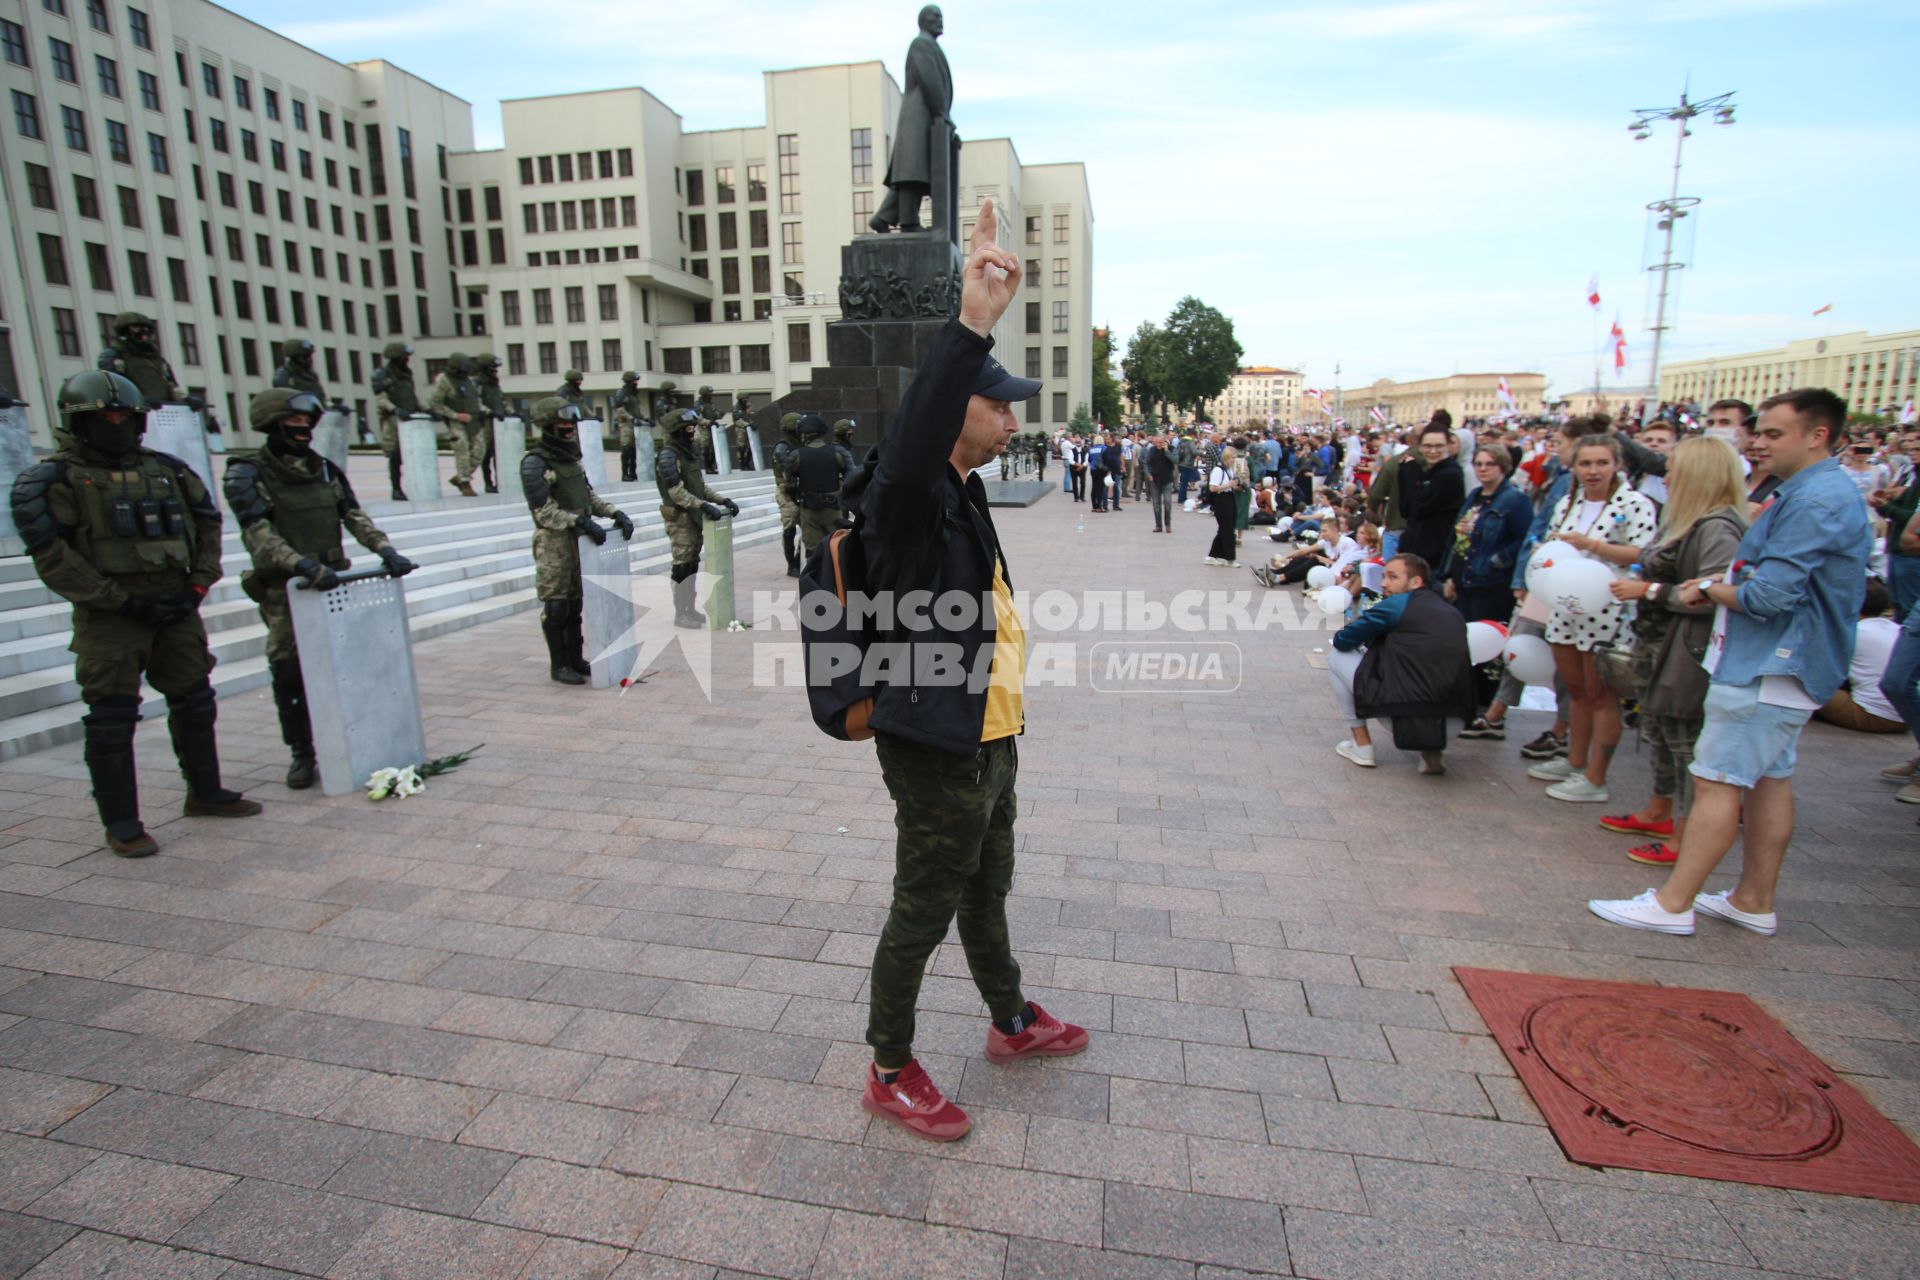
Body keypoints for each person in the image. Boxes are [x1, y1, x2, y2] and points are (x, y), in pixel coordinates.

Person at [844, 200, 1087, 1141]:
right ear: (956, 412)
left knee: (987, 890)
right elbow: (909, 439)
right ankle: (890, 1068)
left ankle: (1011, 1021)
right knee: (924, 907)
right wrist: (972, 320)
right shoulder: (904, 497)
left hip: (989, 734)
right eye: (1000, 399)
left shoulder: (964, 492)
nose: (1013, 412)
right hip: (937, 743)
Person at [1590, 388, 1872, 936]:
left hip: (1770, 659)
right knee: (1769, 780)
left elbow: (1768, 596)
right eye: (1756, 432)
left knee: (1717, 779)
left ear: (1817, 436)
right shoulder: (1816, 492)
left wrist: (1711, 586)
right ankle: (1752, 898)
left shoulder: (1815, 500)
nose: (1756, 443)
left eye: (1772, 434)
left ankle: (1673, 904)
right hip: (1784, 661)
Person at [9, 371, 261, 856]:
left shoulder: (167, 469)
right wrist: (117, 600)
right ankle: (122, 820)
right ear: (79, 421)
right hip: (111, 615)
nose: (117, 422)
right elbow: (53, 556)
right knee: (111, 716)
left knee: (195, 699)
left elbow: (207, 526)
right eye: (105, 415)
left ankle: (205, 792)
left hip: (175, 604)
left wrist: (196, 585)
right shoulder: (54, 479)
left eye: (125, 414)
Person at [225, 390, 417, 788]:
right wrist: (301, 565)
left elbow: (352, 515)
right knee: (289, 672)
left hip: (333, 584)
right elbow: (258, 532)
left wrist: (385, 549)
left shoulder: (325, 470)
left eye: (306, 424)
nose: (302, 430)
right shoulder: (248, 473)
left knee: (346, 666)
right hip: (287, 590)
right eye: (293, 423)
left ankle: (353, 735)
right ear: (271, 423)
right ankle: (302, 751)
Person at [1594, 437, 1747, 865]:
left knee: (1683, 742)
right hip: (1659, 641)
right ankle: (1659, 811)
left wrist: (1650, 590)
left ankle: (1685, 834)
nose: (1668, 474)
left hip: (1686, 649)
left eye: (1675, 466)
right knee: (1658, 731)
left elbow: (1712, 593)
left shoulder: (1717, 526)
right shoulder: (1686, 518)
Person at [1530, 434, 1659, 803]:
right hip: (1564, 604)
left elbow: (1644, 554)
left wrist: (1593, 547)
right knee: (1576, 689)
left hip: (1608, 605)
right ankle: (1574, 760)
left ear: (1617, 464)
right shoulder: (1568, 502)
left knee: (1601, 692)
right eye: (1585, 463)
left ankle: (1596, 776)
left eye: (1602, 463)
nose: (1593, 471)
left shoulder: (1635, 503)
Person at [1328, 553, 1476, 774]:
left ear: (1416, 582)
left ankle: (1361, 745)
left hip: (1404, 715)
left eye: (1392, 577)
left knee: (1337, 656)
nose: (1383, 583)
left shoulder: (1397, 604)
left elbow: (1344, 639)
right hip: (1457, 721)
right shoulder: (1451, 611)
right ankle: (1431, 754)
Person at [522, 397, 636, 683]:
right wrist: (579, 522)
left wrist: (614, 512)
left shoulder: (571, 461)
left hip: (579, 543)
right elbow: (543, 511)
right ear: (548, 426)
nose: (569, 428)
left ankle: (575, 659)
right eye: (563, 423)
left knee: (575, 606)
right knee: (557, 606)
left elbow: (589, 497)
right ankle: (559, 665)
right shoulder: (535, 463)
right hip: (554, 545)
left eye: (571, 423)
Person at [1447, 445, 1532, 710]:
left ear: (1504, 467)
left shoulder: (1515, 500)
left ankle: (1485, 703)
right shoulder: (1474, 496)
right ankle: (1466, 696)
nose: (1483, 469)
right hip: (1466, 580)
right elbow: (1458, 539)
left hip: (1492, 583)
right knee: (1464, 640)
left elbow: (1525, 540)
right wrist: (1449, 574)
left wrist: (1498, 562)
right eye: (1479, 463)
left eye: (1490, 464)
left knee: (1489, 644)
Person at [655, 407, 739, 628]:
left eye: (692, 427)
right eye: (688, 428)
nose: (691, 432)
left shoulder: (686, 454)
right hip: (680, 520)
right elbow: (676, 492)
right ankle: (680, 613)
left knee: (692, 565)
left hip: (693, 518)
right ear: (677, 430)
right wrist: (703, 506)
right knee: (682, 566)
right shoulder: (668, 456)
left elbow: (699, 487)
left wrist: (722, 500)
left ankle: (689, 610)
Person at [1814, 578, 1904, 733]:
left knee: (1806, 682)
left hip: (1875, 716)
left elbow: (1817, 667)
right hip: (1909, 715)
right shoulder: (1896, 628)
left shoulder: (1853, 633)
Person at [1396, 424, 1466, 576]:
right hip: (1417, 552)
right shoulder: (1428, 473)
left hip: (1433, 558)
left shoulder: (1450, 475)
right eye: (1427, 446)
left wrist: (1411, 471)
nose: (1433, 451)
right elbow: (1406, 509)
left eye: (1438, 446)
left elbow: (1419, 508)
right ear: (1420, 447)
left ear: (1448, 446)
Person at [788, 414, 851, 558]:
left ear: (803, 434)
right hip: (833, 509)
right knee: (837, 547)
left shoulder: (796, 455)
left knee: (812, 552)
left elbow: (789, 482)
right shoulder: (838, 452)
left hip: (808, 509)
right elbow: (851, 478)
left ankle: (815, 579)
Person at [97, 312, 187, 405]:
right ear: (124, 331)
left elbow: (172, 385)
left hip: (163, 410)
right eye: (136, 327)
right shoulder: (115, 354)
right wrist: (139, 399)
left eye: (146, 328)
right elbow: (113, 385)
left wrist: (186, 399)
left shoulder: (158, 359)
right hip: (134, 411)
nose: (143, 331)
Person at [429, 352, 485, 498]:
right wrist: (455, 415)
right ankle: (465, 482)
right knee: (462, 452)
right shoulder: (444, 380)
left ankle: (460, 477)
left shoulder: (469, 381)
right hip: (457, 423)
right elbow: (436, 403)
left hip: (473, 421)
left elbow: (474, 400)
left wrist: (483, 412)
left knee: (479, 451)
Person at [371, 342, 418, 501]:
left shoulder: (406, 374)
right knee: (395, 455)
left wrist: (423, 409)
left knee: (411, 455)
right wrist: (396, 410)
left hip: (409, 418)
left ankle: (414, 485)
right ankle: (396, 488)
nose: (407, 360)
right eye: (404, 357)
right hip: (392, 419)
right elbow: (381, 399)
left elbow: (411, 396)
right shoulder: (382, 374)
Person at [771, 412, 805, 577]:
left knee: (807, 527)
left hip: (801, 490)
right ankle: (792, 565)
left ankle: (799, 559)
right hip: (786, 492)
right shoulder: (782, 447)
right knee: (789, 528)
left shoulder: (801, 445)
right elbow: (787, 472)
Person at [1204, 446, 1243, 566]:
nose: (1234, 460)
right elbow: (1213, 487)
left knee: (1225, 529)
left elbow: (1229, 485)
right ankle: (1230, 558)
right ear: (1226, 457)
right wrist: (1228, 485)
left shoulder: (1230, 470)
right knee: (1227, 530)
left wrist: (1236, 486)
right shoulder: (1218, 470)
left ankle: (1212, 556)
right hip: (1222, 500)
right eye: (1232, 458)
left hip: (1230, 498)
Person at [474, 353, 505, 493]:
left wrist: (510, 412)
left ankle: (501, 481)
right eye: (492, 367)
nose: (495, 370)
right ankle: (488, 482)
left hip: (498, 422)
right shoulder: (478, 382)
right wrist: (489, 412)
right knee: (486, 453)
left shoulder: (494, 384)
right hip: (485, 422)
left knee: (498, 453)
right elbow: (476, 402)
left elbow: (501, 401)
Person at [611, 371, 644, 483]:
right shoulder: (621, 393)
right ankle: (625, 474)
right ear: (629, 381)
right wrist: (632, 418)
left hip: (635, 425)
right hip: (626, 425)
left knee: (634, 451)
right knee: (626, 450)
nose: (636, 383)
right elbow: (620, 410)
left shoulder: (633, 394)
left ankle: (633, 473)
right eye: (634, 381)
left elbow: (636, 411)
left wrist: (643, 419)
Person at [1144, 433, 1176, 532]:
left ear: (1165, 441)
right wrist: (1148, 474)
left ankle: (1168, 524)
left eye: (1161, 442)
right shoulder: (1152, 450)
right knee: (1156, 505)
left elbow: (1176, 460)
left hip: (1167, 480)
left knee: (1167, 502)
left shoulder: (1171, 448)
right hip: (1155, 480)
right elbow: (1146, 463)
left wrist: (1166, 451)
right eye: (1156, 442)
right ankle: (1158, 525)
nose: (1158, 444)